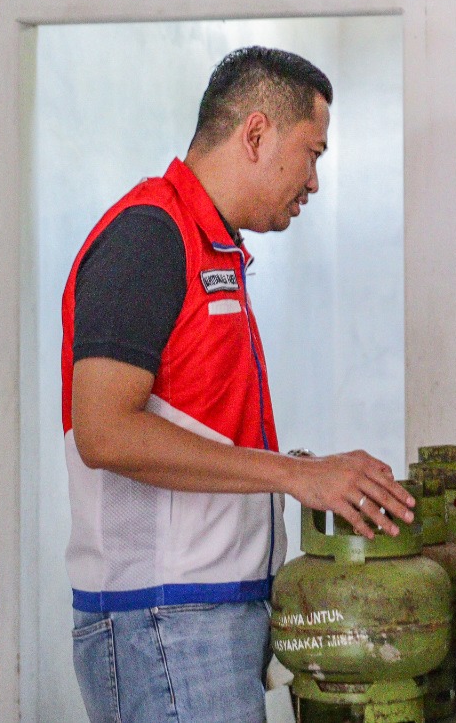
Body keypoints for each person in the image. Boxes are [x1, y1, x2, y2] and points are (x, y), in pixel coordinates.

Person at [60, 46, 415, 723]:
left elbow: (192, 426)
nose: (314, 181)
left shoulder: (209, 247)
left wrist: (297, 473)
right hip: (162, 620)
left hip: (202, 615)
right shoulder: (148, 237)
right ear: (255, 134)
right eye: (312, 153)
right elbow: (104, 433)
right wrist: (292, 476)